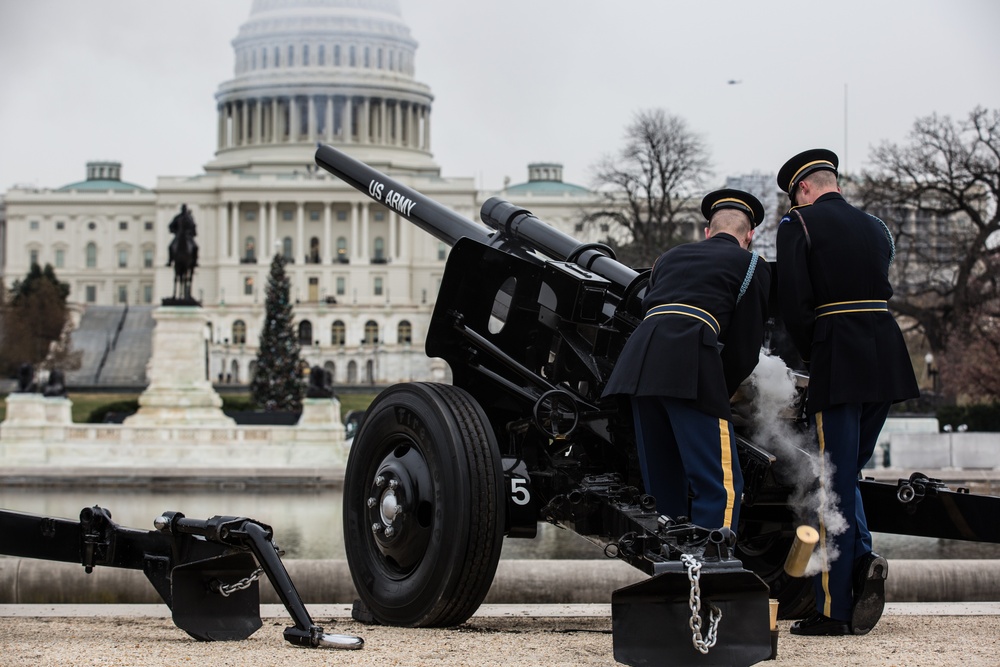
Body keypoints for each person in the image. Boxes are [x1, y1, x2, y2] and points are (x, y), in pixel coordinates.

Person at [774, 149, 919, 637]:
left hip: (839, 354)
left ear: (803, 189)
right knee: (850, 473)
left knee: (829, 481)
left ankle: (836, 608)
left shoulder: (800, 223)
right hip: (885, 352)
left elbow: (796, 304)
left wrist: (809, 360)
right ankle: (862, 563)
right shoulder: (876, 226)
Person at [603, 189, 771, 533]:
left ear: (708, 231)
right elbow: (745, 348)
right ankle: (713, 570)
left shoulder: (668, 257)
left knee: (663, 485)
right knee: (720, 485)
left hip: (639, 365)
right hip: (691, 366)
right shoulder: (753, 263)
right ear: (749, 235)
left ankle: (673, 567)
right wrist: (719, 393)